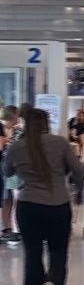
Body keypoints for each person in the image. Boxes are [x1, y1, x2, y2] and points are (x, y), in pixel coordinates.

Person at [2, 106, 84, 285]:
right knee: (58, 252)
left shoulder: (17, 147)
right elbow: (79, 171)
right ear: (47, 124)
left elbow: (7, 171)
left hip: (29, 206)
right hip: (58, 205)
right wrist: (75, 187)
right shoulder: (60, 143)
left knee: (32, 253)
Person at [1, 105, 21, 245]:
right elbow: (1, 147)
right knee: (6, 197)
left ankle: (8, 228)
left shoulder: (11, 129)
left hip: (6, 166)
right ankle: (6, 229)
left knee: (8, 197)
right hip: (3, 167)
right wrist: (8, 140)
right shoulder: (3, 129)